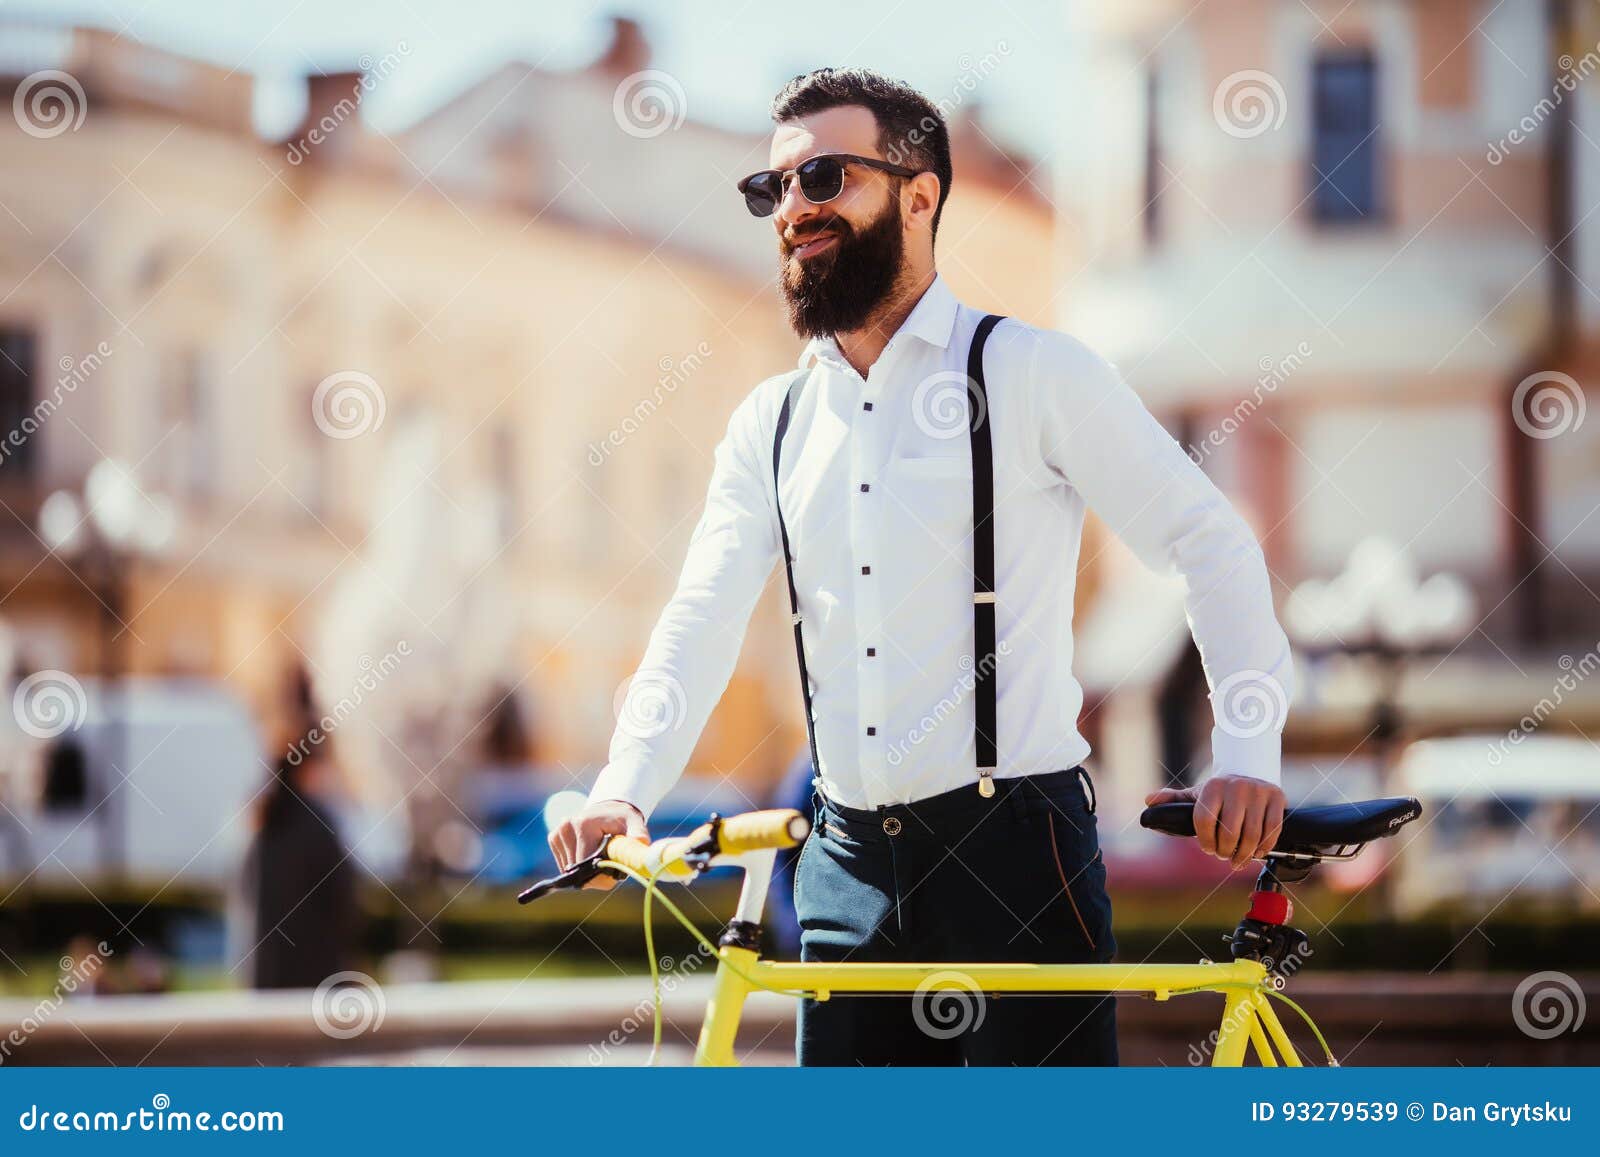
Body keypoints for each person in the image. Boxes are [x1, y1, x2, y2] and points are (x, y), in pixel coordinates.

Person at [550, 68, 1292, 1066]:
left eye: (824, 177)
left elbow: (1209, 540)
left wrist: (1246, 748)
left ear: (919, 193)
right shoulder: (769, 425)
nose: (795, 210)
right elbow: (701, 615)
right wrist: (623, 786)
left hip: (1016, 855)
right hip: (843, 858)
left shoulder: (1031, 371)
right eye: (774, 189)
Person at [244, 744, 359, 990]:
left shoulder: (263, 822)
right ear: (310, 768)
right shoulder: (317, 823)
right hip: (316, 978)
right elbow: (343, 896)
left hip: (265, 976)